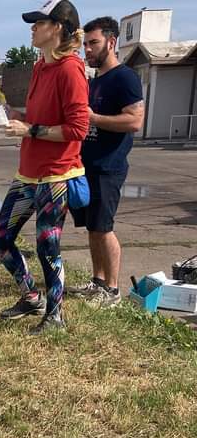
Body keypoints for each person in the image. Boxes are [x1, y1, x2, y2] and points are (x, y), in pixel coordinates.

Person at [0, 0, 89, 333]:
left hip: (57, 175)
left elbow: (78, 129)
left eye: (39, 23)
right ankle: (31, 295)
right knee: (0, 240)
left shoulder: (71, 69)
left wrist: (30, 129)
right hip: (28, 174)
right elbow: (41, 116)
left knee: (48, 244)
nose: (32, 29)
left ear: (58, 28)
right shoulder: (40, 66)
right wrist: (19, 118)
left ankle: (56, 315)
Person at [66, 17, 145, 307]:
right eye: (85, 44)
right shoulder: (95, 80)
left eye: (93, 43)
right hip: (87, 165)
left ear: (111, 43)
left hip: (108, 166)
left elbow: (135, 120)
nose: (87, 49)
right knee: (92, 228)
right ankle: (97, 282)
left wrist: (93, 118)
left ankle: (112, 291)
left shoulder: (125, 77)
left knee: (103, 227)